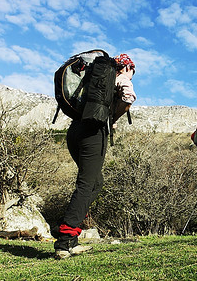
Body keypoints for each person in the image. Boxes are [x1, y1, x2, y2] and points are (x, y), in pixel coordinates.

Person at [53, 53, 136, 259]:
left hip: (75, 131)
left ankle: (71, 238)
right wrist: (112, 118)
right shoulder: (120, 76)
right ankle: (64, 239)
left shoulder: (92, 77)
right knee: (86, 184)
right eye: (132, 72)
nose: (132, 76)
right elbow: (128, 99)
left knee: (96, 182)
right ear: (126, 68)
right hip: (93, 133)